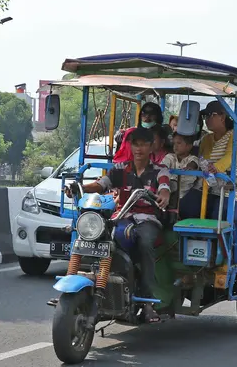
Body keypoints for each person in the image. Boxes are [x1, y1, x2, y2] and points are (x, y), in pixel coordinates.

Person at [62, 128, 170, 323]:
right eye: (135, 144)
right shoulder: (120, 169)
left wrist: (163, 196)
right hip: (123, 217)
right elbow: (101, 184)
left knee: (145, 243)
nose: (139, 148)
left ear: (151, 146)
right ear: (130, 146)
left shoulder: (159, 170)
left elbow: (164, 187)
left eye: (143, 144)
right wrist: (79, 187)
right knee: (101, 236)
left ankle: (147, 303)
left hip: (148, 220)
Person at [181, 101, 237, 223]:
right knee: (186, 207)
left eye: (210, 115)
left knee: (222, 214)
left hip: (231, 189)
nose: (206, 119)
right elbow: (200, 159)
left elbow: (232, 155)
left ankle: (219, 242)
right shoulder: (206, 139)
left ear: (222, 117)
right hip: (207, 187)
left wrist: (217, 167)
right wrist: (193, 164)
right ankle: (194, 239)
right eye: (205, 116)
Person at [160, 132, 200, 202]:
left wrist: (189, 166)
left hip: (186, 195)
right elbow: (163, 166)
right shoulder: (170, 157)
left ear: (189, 146)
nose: (175, 146)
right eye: (174, 143)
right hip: (169, 193)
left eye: (178, 143)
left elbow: (194, 163)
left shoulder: (192, 158)